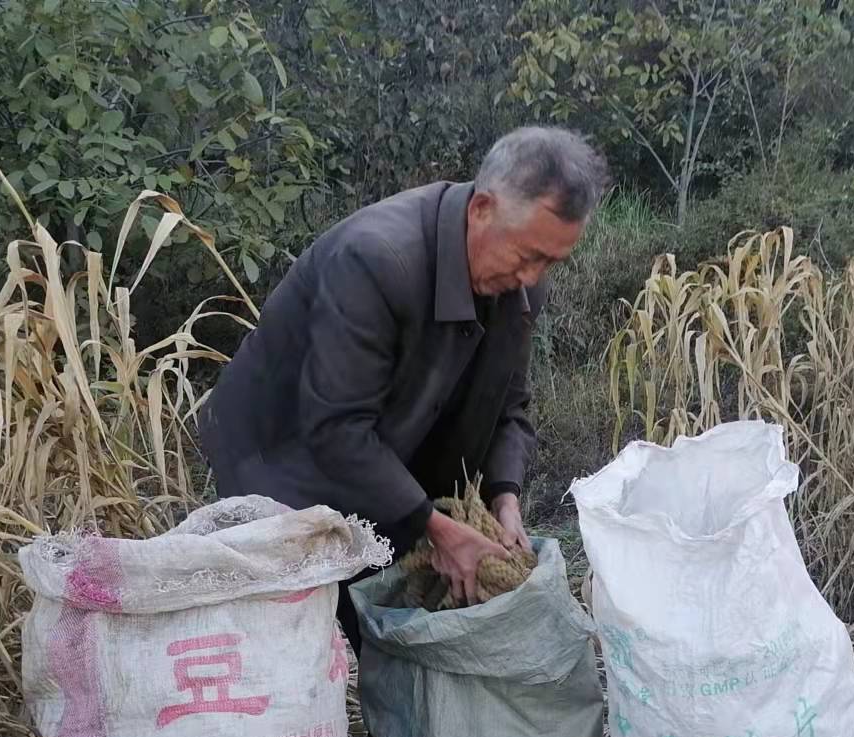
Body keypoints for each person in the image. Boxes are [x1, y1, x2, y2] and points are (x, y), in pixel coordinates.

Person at [198, 126, 608, 661]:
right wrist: (433, 527)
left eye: (552, 262)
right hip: (280, 461)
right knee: (302, 641)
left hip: (382, 449)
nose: (533, 277)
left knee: (391, 633)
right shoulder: (374, 260)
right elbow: (336, 429)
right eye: (528, 256)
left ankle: (391, 731)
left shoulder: (520, 276)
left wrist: (504, 497)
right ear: (482, 208)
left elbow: (510, 404)